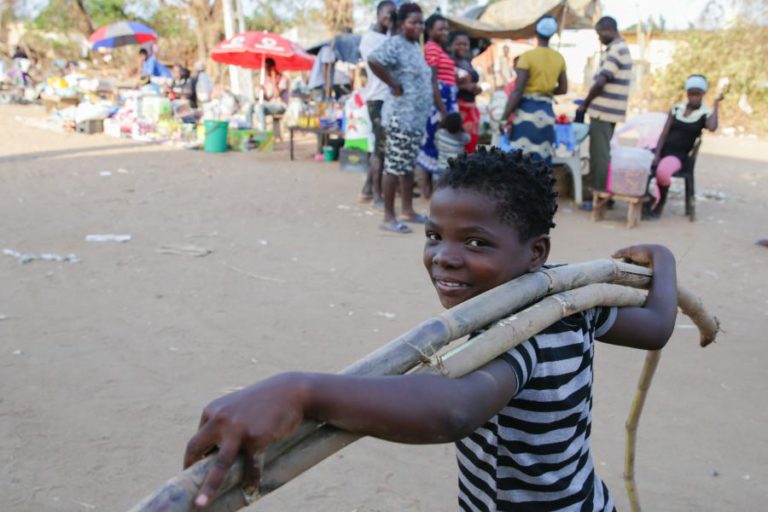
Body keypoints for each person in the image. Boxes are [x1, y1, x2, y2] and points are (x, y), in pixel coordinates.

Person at [182, 148, 679, 511]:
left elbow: (453, 409)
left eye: (476, 242)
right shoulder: (573, 294)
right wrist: (666, 262)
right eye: (435, 235)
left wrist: (301, 391)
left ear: (535, 252)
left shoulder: (525, 327)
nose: (444, 256)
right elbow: (656, 326)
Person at [368, 3, 433, 234]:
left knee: (407, 166)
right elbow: (373, 60)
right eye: (413, 22)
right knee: (394, 167)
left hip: (414, 119)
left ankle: (407, 210)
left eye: (421, 23)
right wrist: (393, 85)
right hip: (400, 118)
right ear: (402, 23)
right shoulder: (395, 43)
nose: (419, 26)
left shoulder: (414, 46)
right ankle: (388, 217)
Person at [645, 74, 724, 219]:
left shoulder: (704, 113)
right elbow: (664, 134)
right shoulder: (677, 109)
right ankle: (647, 199)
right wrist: (657, 154)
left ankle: (660, 203)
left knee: (662, 172)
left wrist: (716, 105)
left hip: (679, 155)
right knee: (638, 165)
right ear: (687, 93)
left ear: (703, 94)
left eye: (697, 94)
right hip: (663, 150)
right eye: (691, 94)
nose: (694, 98)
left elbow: (712, 127)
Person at [577, 16, 632, 200]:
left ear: (608, 30)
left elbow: (602, 81)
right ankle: (600, 193)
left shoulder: (617, 49)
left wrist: (585, 103)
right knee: (600, 153)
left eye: (599, 34)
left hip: (604, 112)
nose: (599, 38)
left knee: (599, 156)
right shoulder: (618, 48)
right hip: (608, 111)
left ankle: (599, 196)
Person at [501, 16, 567, 166]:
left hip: (526, 112)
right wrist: (546, 90)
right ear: (552, 34)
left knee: (520, 161)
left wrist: (504, 118)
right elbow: (563, 89)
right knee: (542, 160)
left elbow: (518, 90)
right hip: (547, 113)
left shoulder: (527, 57)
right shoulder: (559, 58)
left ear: (536, 33)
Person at [358, 0, 396, 209]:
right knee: (380, 147)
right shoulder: (369, 39)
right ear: (378, 13)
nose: (390, 16)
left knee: (383, 147)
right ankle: (376, 196)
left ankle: (367, 189)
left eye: (393, 13)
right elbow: (381, 64)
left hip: (391, 99)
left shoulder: (391, 35)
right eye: (387, 12)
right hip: (377, 98)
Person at [416, 12, 458, 199]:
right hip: (439, 102)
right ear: (429, 30)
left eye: (446, 29)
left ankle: (431, 189)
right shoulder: (432, 48)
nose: (445, 32)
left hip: (444, 100)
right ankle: (428, 189)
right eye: (440, 29)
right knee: (433, 142)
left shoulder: (437, 48)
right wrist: (442, 109)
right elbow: (432, 79)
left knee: (435, 141)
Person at [450, 30, 482, 154]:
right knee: (458, 145)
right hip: (458, 109)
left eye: (465, 44)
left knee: (470, 145)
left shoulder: (467, 62)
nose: (463, 47)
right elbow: (443, 85)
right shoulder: (449, 62)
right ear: (451, 45)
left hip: (471, 108)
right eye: (459, 44)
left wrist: (476, 89)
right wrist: (464, 87)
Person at [255, 58, 289, 131]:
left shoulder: (282, 78)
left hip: (280, 105)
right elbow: (268, 98)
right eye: (265, 68)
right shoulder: (267, 79)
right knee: (250, 107)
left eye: (268, 67)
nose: (266, 70)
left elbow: (277, 94)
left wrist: (274, 80)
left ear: (273, 67)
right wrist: (261, 91)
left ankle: (262, 132)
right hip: (269, 104)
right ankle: (248, 131)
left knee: (259, 107)